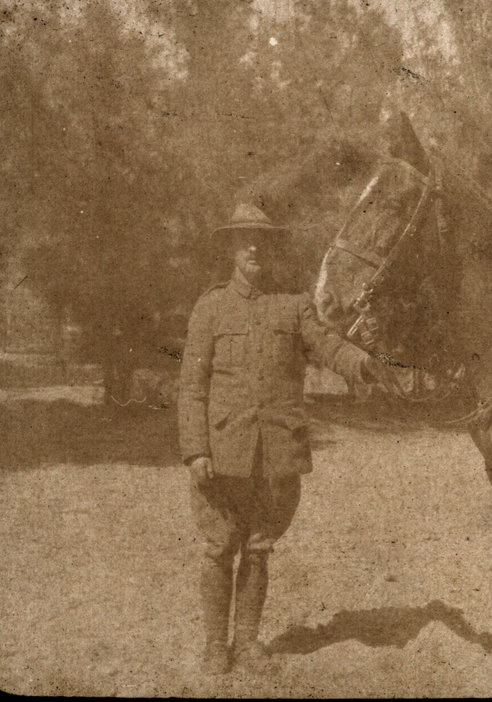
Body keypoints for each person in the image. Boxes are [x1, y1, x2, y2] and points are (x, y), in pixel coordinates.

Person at [178, 203, 392, 675]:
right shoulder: (210, 306)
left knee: (258, 548)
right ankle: (215, 645)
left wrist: (362, 363)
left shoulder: (293, 305)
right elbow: (192, 385)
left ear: (271, 249)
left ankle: (247, 642)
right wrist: (195, 450)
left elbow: (327, 346)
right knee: (219, 547)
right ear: (232, 249)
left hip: (276, 451)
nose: (254, 248)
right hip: (223, 451)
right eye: (244, 240)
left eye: (262, 240)